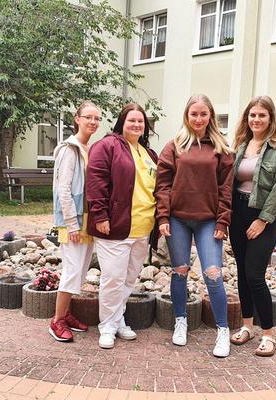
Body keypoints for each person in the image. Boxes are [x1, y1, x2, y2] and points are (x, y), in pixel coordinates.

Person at [155, 94, 234, 358]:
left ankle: (223, 330)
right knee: (179, 271)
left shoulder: (221, 148)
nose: (198, 119)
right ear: (186, 116)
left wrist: (223, 220)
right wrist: (163, 217)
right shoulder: (174, 146)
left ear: (210, 115)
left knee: (213, 273)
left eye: (203, 114)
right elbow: (163, 184)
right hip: (177, 219)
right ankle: (181, 320)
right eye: (193, 114)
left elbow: (226, 189)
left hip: (208, 221)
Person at [86, 103, 158, 349]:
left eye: (140, 121)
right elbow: (96, 183)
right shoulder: (106, 146)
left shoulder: (148, 153)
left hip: (142, 227)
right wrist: (100, 216)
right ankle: (106, 325)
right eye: (131, 120)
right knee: (112, 279)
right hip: (115, 227)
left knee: (128, 279)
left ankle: (118, 320)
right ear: (122, 123)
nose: (136, 125)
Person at [228, 96, 276, 357]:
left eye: (261, 115)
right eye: (252, 115)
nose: (256, 119)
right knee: (242, 273)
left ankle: (268, 334)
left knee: (255, 275)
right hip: (238, 213)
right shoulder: (242, 145)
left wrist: (263, 219)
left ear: (270, 118)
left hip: (263, 216)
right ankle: (247, 327)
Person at [49, 101, 101, 342]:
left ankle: (66, 313)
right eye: (88, 117)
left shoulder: (88, 148)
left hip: (88, 218)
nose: (93, 122)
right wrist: (71, 224)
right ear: (77, 119)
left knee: (80, 272)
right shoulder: (70, 150)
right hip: (73, 221)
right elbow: (64, 190)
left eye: (97, 118)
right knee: (71, 271)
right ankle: (57, 321)